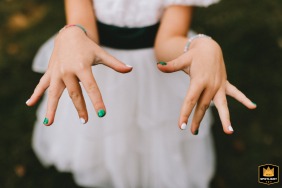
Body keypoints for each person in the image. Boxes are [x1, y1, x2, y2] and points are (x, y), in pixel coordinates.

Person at [26, 0, 256, 187]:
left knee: (155, 138)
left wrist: (201, 46)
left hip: (155, 75)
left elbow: (167, 44)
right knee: (107, 138)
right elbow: (85, 33)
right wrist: (73, 34)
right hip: (102, 69)